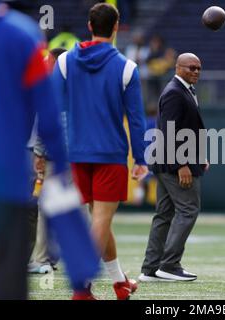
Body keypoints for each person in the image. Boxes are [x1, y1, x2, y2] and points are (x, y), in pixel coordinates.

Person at [0, 0, 98, 299]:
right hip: (5, 176)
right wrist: (61, 170)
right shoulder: (21, 35)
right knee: (9, 284)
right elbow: (48, 115)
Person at [52, 2, 148, 300]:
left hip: (74, 154)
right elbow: (136, 119)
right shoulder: (127, 67)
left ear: (90, 26)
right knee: (101, 220)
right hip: (110, 155)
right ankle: (82, 288)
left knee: (97, 219)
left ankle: (120, 282)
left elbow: (51, 108)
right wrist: (141, 158)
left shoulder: (65, 61)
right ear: (116, 27)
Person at [139, 53, 208, 282]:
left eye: (198, 68)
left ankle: (151, 269)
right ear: (178, 68)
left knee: (164, 214)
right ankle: (169, 264)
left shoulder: (183, 89)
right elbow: (170, 131)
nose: (196, 71)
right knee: (188, 210)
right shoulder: (174, 92)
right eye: (191, 67)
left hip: (169, 161)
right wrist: (182, 164)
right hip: (174, 163)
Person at [28, 48, 68, 275]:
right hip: (76, 155)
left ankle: (43, 258)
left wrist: (39, 152)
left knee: (46, 208)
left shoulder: (51, 86)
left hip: (55, 154)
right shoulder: (76, 85)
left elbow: (47, 121)